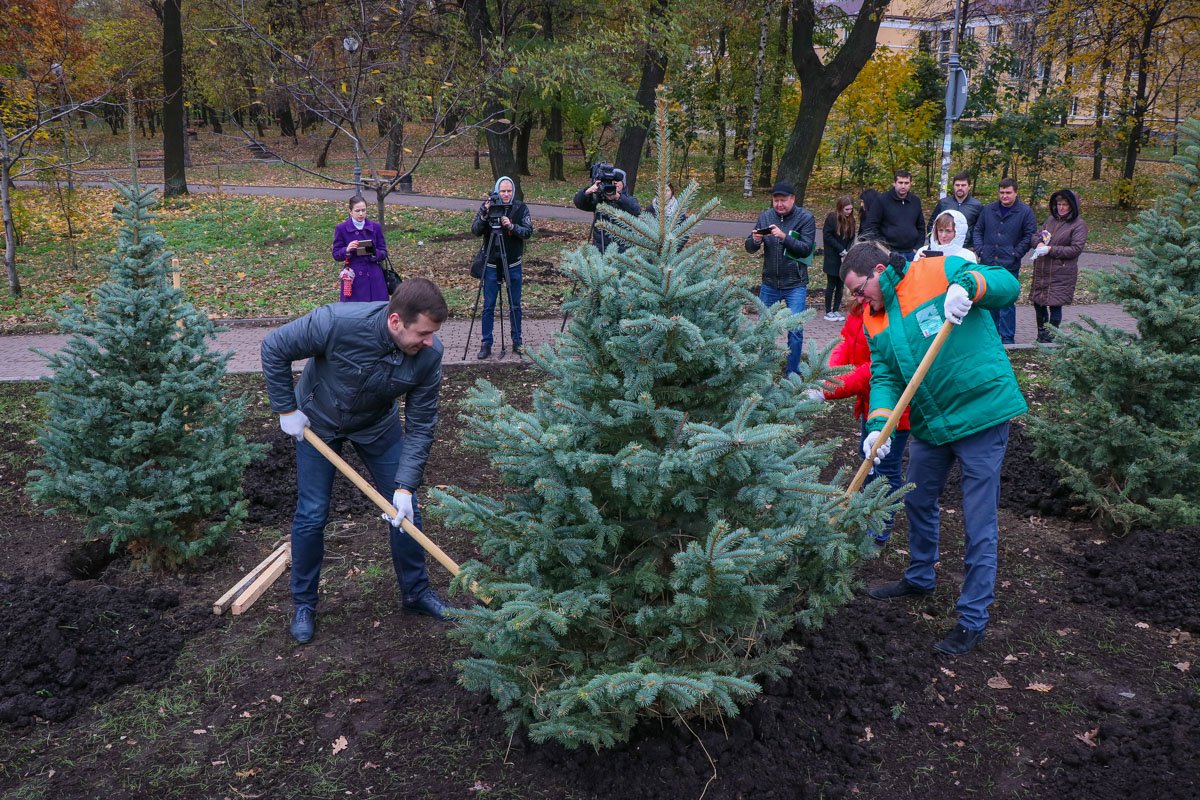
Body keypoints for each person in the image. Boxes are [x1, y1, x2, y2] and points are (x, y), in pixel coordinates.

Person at [840, 242, 1027, 655]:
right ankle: (920, 576)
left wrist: (971, 287)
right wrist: (878, 426)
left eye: (859, 290)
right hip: (932, 421)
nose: (857, 299)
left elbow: (1007, 284)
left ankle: (972, 618)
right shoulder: (874, 319)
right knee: (917, 497)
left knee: (979, 523)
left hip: (980, 411)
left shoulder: (939, 272)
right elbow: (886, 375)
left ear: (878, 269)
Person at [260, 278, 451, 644]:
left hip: (377, 426)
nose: (430, 341)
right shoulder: (336, 322)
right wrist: (286, 409)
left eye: (433, 334)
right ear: (396, 322)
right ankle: (304, 604)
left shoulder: (429, 355)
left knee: (406, 513)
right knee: (313, 512)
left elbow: (423, 423)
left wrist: (405, 486)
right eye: (423, 333)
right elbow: (274, 347)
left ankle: (416, 593)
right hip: (317, 421)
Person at [811, 293, 910, 545]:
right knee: (865, 455)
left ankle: (879, 532)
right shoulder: (860, 308)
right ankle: (863, 513)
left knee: (885, 468)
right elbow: (844, 342)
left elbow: (871, 370)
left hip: (892, 408)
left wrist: (827, 390)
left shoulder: (890, 312)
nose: (854, 294)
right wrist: (829, 375)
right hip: (869, 403)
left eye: (858, 288)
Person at [745, 180, 816, 376]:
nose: (779, 204)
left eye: (783, 200)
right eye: (775, 200)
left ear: (793, 199)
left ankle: (792, 372)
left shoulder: (805, 218)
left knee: (795, 330)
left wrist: (784, 237)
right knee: (764, 328)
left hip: (795, 284)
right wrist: (754, 241)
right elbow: (749, 248)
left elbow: (806, 249)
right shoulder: (765, 217)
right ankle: (762, 371)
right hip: (769, 283)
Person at [471, 176, 533, 359]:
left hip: (513, 262)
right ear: (497, 191)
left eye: (509, 191)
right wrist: (484, 213)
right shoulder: (488, 206)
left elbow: (528, 232)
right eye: (503, 191)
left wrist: (511, 226)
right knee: (488, 305)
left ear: (513, 192)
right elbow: (475, 230)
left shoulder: (520, 208)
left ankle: (517, 341)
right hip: (491, 263)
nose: (506, 195)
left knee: (515, 304)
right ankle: (486, 342)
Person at [972, 178, 1037, 345]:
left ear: (1016, 192)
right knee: (989, 300)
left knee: (1007, 302)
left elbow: (1029, 235)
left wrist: (1016, 253)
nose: (1004, 196)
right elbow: (978, 230)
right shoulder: (988, 210)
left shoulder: (1024, 211)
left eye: (1008, 193)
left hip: (1009, 264)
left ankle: (1008, 338)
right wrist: (980, 249)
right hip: (988, 262)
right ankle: (991, 337)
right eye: (1002, 192)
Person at [1029, 189, 1089, 343]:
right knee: (1038, 303)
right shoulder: (1050, 220)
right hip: (1042, 270)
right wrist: (1040, 243)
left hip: (1061, 272)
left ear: (1072, 206)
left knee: (1055, 305)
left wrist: (1051, 249)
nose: (1061, 208)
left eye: (1065, 205)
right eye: (1059, 204)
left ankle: (1051, 335)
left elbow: (1075, 249)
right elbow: (1036, 236)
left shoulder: (1079, 225)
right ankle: (1042, 334)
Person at [332, 195, 390, 302]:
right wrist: (347, 249)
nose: (361, 214)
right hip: (353, 276)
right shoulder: (341, 228)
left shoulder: (375, 227)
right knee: (355, 311)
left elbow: (383, 252)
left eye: (363, 210)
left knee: (377, 309)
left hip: (374, 275)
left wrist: (373, 252)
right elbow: (336, 254)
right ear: (350, 211)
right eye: (357, 210)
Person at [573, 166, 641, 252]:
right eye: (612, 181)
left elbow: (636, 210)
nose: (615, 183)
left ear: (623, 183)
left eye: (618, 180)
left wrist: (618, 198)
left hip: (622, 251)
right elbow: (579, 203)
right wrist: (588, 192)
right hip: (600, 249)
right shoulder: (599, 200)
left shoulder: (628, 199)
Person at [860, 170, 925, 260]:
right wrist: (884, 248)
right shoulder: (882, 200)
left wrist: (917, 247)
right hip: (890, 253)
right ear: (894, 183)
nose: (903, 186)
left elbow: (921, 226)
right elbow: (871, 227)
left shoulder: (915, 201)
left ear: (910, 184)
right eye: (900, 182)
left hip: (912, 252)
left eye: (906, 183)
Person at [821, 195, 856, 322]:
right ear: (840, 208)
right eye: (846, 209)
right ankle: (828, 311)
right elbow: (828, 236)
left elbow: (851, 237)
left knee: (840, 285)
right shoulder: (832, 218)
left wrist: (846, 252)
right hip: (833, 257)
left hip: (844, 256)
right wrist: (841, 250)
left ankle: (835, 310)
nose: (849, 212)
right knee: (831, 284)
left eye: (851, 209)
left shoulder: (851, 220)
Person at [929, 172, 984, 245]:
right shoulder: (943, 203)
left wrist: (976, 246)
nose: (960, 188)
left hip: (967, 248)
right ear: (953, 186)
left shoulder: (977, 206)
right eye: (957, 185)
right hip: (944, 246)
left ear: (969, 187)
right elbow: (932, 224)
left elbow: (981, 228)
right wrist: (934, 242)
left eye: (963, 185)